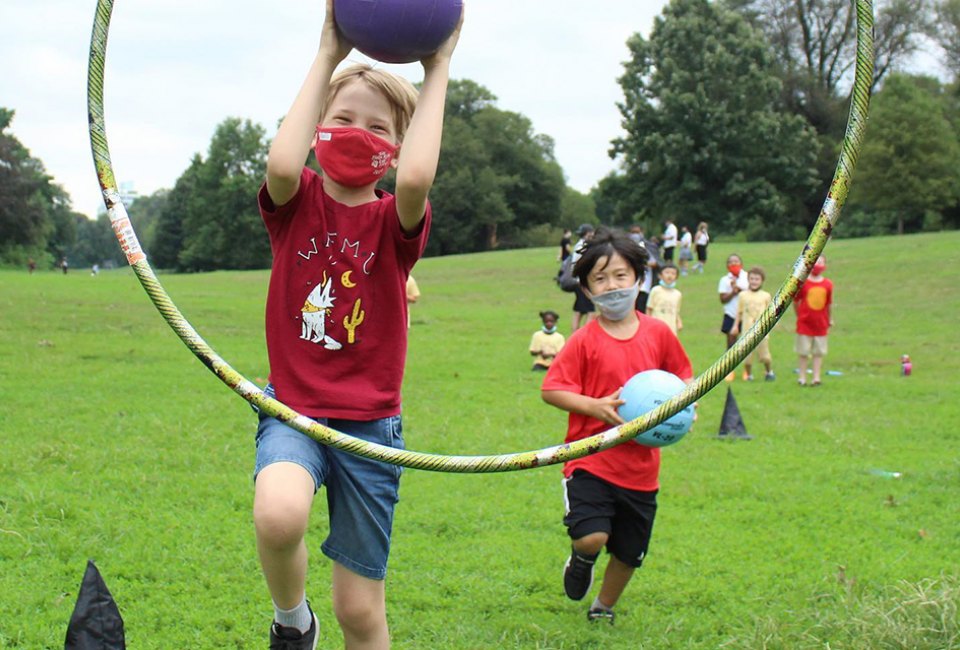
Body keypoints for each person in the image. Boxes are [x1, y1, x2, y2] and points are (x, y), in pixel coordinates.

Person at [252, 2, 462, 647]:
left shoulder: (393, 226)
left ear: (394, 148)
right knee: (279, 514)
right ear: (318, 126)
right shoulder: (297, 203)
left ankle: (330, 622)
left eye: (376, 127)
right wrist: (327, 54)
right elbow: (284, 164)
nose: (356, 132)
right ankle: (293, 621)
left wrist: (439, 68)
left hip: (371, 425)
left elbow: (420, 175)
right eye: (341, 119)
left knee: (360, 611)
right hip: (295, 409)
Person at [541, 227, 693, 625]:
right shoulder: (583, 340)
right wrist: (593, 406)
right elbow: (552, 389)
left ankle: (602, 608)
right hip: (590, 459)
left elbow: (683, 379)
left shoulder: (659, 333)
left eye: (621, 275)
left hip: (641, 471)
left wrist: (684, 413)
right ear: (587, 290)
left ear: (639, 279)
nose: (612, 286)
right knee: (592, 535)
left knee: (629, 553)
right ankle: (582, 557)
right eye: (600, 279)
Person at [794, 255, 833, 387]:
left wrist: (830, 319)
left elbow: (828, 304)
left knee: (818, 352)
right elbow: (796, 301)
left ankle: (816, 377)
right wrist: (798, 316)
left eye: (821, 262)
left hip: (821, 323)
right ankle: (802, 377)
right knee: (803, 352)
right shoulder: (803, 282)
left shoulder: (828, 284)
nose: (818, 265)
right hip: (804, 323)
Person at [731, 266, 774, 381]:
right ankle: (749, 375)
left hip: (761, 331)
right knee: (747, 358)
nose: (754, 281)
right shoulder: (743, 295)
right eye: (752, 279)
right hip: (747, 331)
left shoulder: (766, 295)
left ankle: (769, 372)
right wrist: (735, 326)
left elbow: (770, 313)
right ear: (748, 280)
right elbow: (739, 313)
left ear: (762, 281)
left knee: (765, 356)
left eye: (757, 279)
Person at [718, 254, 749, 381]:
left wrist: (739, 289)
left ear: (741, 263)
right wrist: (733, 291)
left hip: (746, 314)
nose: (733, 264)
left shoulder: (747, 277)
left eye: (736, 261)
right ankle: (729, 370)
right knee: (731, 343)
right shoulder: (725, 280)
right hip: (731, 313)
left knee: (747, 344)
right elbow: (722, 299)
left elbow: (752, 291)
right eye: (731, 262)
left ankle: (747, 371)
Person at [570, 223, 596, 332]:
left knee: (579, 310)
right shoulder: (583, 246)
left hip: (578, 281)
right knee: (591, 310)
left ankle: (575, 333)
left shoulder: (579, 245)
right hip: (583, 282)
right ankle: (585, 334)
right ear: (588, 233)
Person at [646, 263, 682, 335]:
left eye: (673, 273)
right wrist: (647, 324)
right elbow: (649, 309)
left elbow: (676, 311)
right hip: (656, 326)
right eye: (667, 272)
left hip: (671, 328)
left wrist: (679, 322)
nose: (670, 276)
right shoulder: (656, 290)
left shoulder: (677, 294)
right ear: (660, 275)